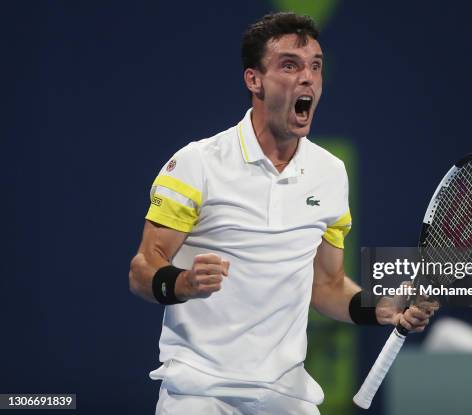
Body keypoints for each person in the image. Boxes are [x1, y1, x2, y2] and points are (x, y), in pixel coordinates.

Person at [129, 11, 437, 415]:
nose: (307, 77)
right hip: (200, 392)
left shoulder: (329, 174)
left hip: (286, 394)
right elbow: (142, 269)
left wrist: (377, 308)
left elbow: (325, 284)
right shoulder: (197, 163)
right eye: (290, 65)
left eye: (315, 66)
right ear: (254, 80)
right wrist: (182, 283)